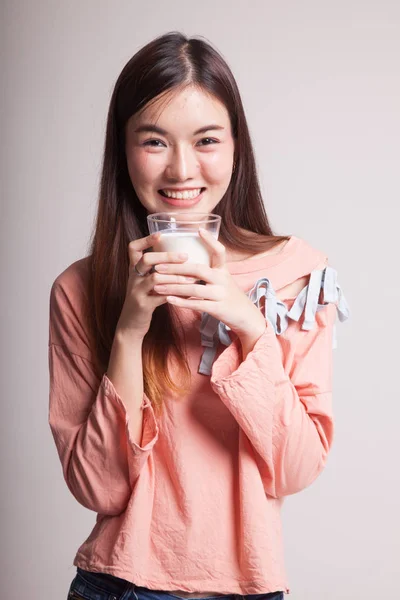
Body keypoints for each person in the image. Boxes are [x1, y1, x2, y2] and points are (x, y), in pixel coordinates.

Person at [48, 31, 350, 600]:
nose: (181, 170)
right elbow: (99, 489)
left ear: (237, 146)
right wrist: (130, 331)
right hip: (119, 585)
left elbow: (297, 469)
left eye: (206, 139)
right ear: (124, 150)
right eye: (154, 141)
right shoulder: (81, 289)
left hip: (249, 586)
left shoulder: (298, 275)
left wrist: (251, 325)